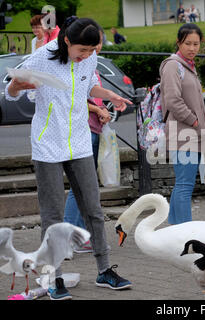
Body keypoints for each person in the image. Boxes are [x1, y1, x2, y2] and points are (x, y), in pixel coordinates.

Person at [5, 17, 132, 300]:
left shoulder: (89, 58)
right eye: (81, 51)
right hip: (48, 145)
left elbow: (87, 87)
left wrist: (108, 93)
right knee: (52, 216)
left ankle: (103, 270)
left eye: (90, 51)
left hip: (79, 142)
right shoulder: (41, 58)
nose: (86, 56)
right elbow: (11, 91)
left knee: (94, 209)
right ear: (66, 41)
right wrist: (21, 86)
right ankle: (54, 279)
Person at [63, 28, 111, 254]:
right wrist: (97, 108)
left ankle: (77, 235)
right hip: (84, 127)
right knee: (80, 187)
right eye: (93, 44)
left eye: (98, 43)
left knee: (83, 187)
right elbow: (75, 96)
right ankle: (72, 237)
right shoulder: (80, 61)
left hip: (92, 126)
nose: (96, 48)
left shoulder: (90, 60)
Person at [159, 23, 205, 224]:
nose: (192, 48)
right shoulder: (173, 65)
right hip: (184, 133)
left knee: (183, 184)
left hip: (192, 133)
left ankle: (173, 227)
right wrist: (194, 121)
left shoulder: (188, 66)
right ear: (179, 42)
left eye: (196, 44)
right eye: (188, 43)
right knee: (185, 185)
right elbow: (172, 100)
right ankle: (186, 231)